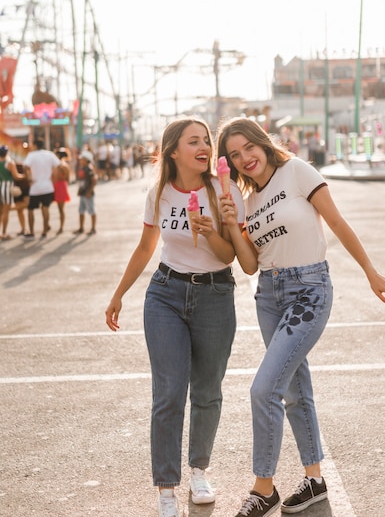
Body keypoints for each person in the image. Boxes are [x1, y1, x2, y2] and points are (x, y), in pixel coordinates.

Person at [216, 117, 385, 516]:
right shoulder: (248, 202)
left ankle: (263, 488)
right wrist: (234, 225)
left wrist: (370, 271)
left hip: (309, 290)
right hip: (268, 295)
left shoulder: (297, 171)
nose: (244, 158)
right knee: (293, 389)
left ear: (262, 142)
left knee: (263, 389)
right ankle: (315, 480)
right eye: (234, 155)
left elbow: (336, 222)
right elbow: (250, 265)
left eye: (247, 147)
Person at [105, 118, 245, 517]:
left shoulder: (223, 190)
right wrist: (119, 294)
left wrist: (212, 230)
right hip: (165, 293)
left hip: (215, 294)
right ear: (173, 151)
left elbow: (230, 256)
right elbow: (147, 245)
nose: (204, 147)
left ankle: (199, 470)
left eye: (206, 141)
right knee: (168, 393)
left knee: (207, 391)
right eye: (194, 141)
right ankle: (166, 487)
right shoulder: (159, 193)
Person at [24, 138, 60, 239]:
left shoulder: (31, 155)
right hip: (47, 186)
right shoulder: (49, 154)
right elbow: (57, 167)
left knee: (30, 209)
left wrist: (29, 178)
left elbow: (25, 167)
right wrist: (54, 179)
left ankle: (31, 231)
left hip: (35, 187)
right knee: (45, 208)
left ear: (35, 145)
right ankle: (44, 230)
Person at [0, 145, 24, 239]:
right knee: (6, 211)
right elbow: (16, 176)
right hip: (7, 187)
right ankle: (4, 233)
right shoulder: (9, 162)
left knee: (0, 212)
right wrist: (26, 176)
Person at [73, 150, 97, 235]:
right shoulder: (83, 168)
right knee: (81, 211)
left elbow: (94, 180)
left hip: (87, 194)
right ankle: (81, 228)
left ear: (86, 160)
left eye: (82, 159)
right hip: (82, 193)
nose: (80, 160)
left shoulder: (89, 168)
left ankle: (93, 228)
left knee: (91, 211)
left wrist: (89, 192)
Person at [53, 148, 71, 234]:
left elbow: (67, 178)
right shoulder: (57, 165)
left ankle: (61, 227)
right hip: (55, 186)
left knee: (61, 209)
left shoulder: (63, 166)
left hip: (60, 187)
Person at [13, 162, 30, 235]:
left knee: (28, 207)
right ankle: (23, 229)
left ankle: (28, 229)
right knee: (20, 210)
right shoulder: (11, 164)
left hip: (25, 187)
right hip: (17, 188)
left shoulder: (25, 163)